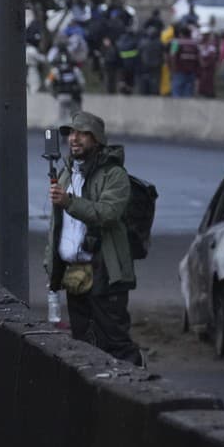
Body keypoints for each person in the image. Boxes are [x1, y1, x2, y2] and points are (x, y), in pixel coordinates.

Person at [44, 112, 143, 366]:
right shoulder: (66, 174)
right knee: (83, 343)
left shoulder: (114, 175)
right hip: (75, 274)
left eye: (82, 133)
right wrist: (52, 267)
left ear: (97, 139)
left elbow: (108, 213)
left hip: (106, 271)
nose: (74, 138)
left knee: (115, 342)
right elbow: (57, 227)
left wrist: (69, 202)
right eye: (71, 133)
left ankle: (138, 387)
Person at [169, 22, 202, 98]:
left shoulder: (175, 42)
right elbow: (199, 58)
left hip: (179, 70)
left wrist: (172, 68)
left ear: (180, 33)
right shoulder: (195, 43)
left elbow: (172, 56)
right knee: (188, 93)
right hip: (192, 71)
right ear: (190, 34)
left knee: (177, 91)